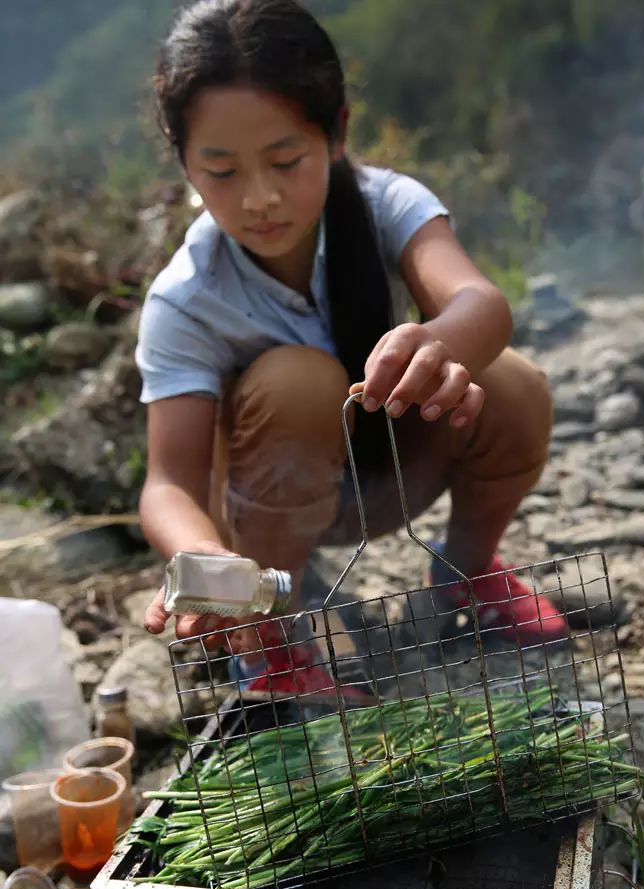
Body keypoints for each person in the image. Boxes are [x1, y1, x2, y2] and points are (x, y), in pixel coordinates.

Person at [139, 0, 567, 699]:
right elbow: (168, 486)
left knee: (513, 385)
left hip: (389, 470)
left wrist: (435, 341)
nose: (260, 198)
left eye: (285, 160)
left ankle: (464, 577)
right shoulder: (187, 299)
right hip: (266, 514)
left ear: (335, 134)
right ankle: (273, 648)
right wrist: (207, 563)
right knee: (297, 381)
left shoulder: (383, 203)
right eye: (222, 171)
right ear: (183, 162)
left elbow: (480, 305)